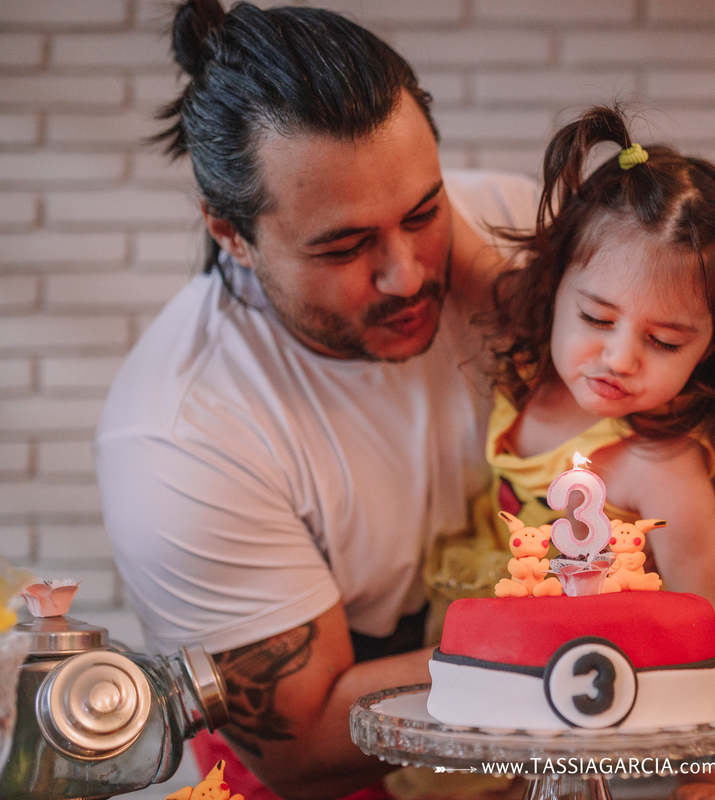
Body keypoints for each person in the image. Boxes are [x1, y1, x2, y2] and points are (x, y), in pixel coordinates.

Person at [93, 2, 537, 798]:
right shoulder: (176, 434)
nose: (406, 274)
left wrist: (514, 293)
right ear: (231, 234)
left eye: (423, 213)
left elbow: (710, 400)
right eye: (343, 245)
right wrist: (568, 646)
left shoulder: (502, 229)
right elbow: (305, 744)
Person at [458, 105, 715, 796]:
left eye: (664, 342)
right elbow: (454, 248)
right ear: (554, 283)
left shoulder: (663, 469)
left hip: (613, 731)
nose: (619, 358)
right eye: (598, 317)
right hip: (497, 697)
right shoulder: (535, 369)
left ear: (710, 346)